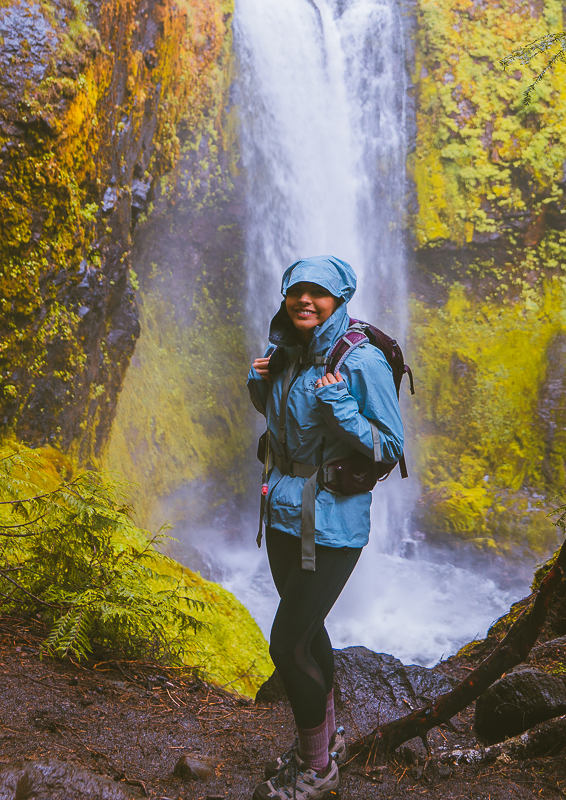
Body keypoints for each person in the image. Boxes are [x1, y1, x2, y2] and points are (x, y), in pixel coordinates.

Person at [247, 255, 404, 800]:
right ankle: (328, 743)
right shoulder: (285, 351)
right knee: (308, 632)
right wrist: (257, 383)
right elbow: (282, 423)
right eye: (297, 292)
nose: (305, 301)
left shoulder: (359, 361)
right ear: (286, 295)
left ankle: (317, 770)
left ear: (339, 299)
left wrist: (341, 405)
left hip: (332, 522)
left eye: (319, 293)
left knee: (286, 645)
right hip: (284, 510)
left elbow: (390, 445)